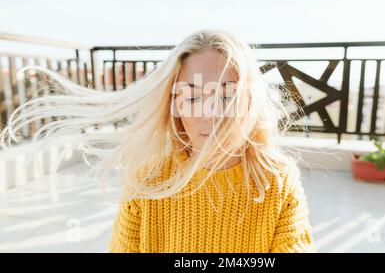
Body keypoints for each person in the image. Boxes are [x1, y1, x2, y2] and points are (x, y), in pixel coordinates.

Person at [0, 29, 316, 253]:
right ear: (174, 104)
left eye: (226, 96)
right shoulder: (147, 181)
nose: (211, 115)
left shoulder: (278, 183)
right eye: (192, 96)